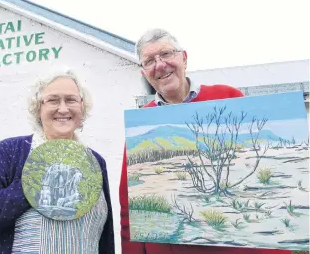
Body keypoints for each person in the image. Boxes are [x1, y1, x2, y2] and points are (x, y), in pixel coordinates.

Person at [119, 28, 290, 254]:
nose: (160, 65)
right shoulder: (142, 125)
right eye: (149, 61)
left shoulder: (228, 98)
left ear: (184, 58)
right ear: (144, 73)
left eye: (166, 54)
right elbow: (128, 208)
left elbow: (269, 184)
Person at [0, 68, 115, 254]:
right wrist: (34, 183)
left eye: (71, 100)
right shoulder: (12, 152)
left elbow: (105, 239)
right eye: (53, 100)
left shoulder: (95, 162)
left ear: (82, 106)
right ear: (38, 108)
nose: (63, 108)